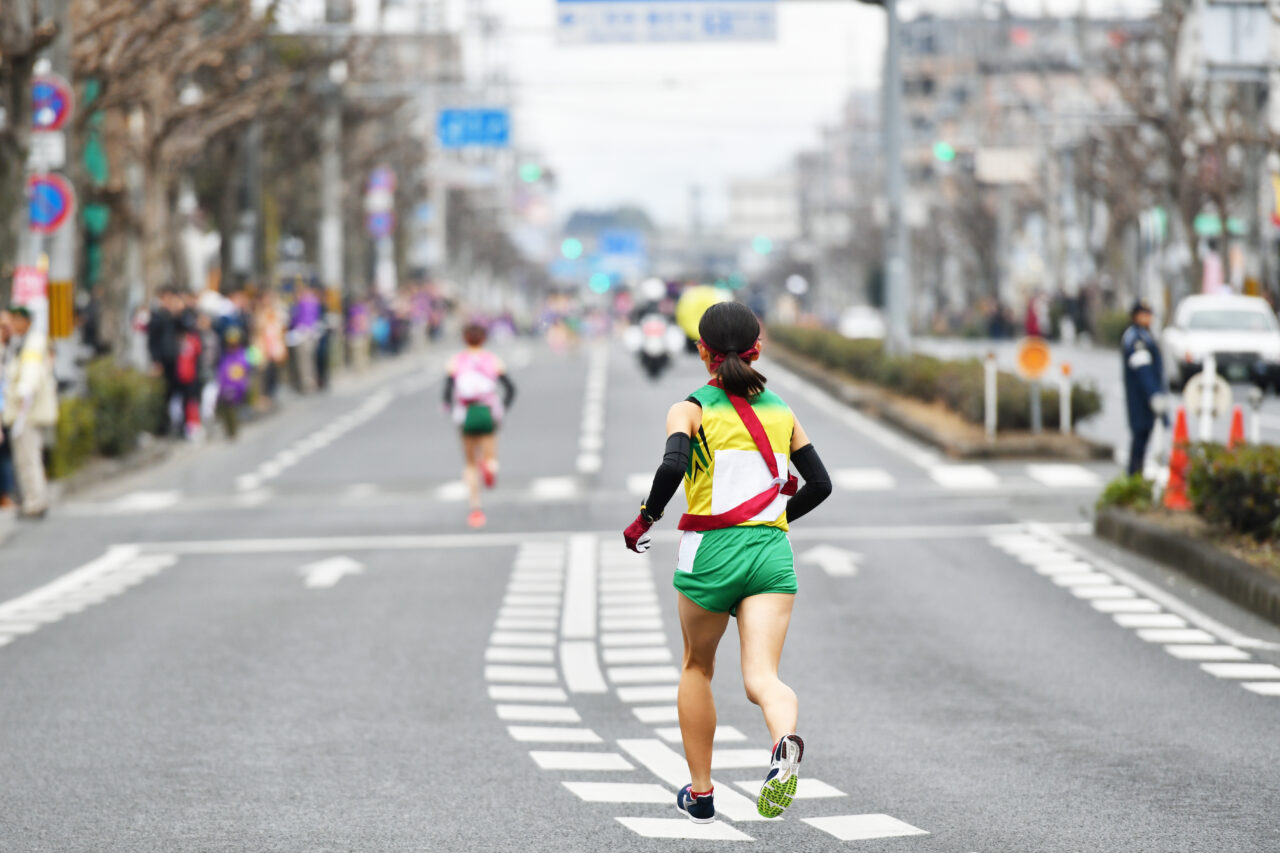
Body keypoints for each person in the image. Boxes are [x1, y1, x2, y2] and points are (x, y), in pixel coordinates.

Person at [622, 301, 832, 824]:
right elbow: (821, 485)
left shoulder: (689, 408)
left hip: (710, 555)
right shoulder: (783, 411)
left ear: (702, 352)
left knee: (697, 666)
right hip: (770, 554)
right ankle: (784, 742)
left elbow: (672, 465)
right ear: (758, 348)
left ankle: (702, 792)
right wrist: (776, 518)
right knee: (763, 676)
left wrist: (646, 519)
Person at [444, 322, 515, 529]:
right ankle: (490, 467)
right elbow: (510, 388)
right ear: (483, 339)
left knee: (469, 463)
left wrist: (450, 408)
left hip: (465, 413)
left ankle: (476, 508)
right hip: (488, 411)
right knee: (490, 454)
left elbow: (447, 393)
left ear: (465, 339)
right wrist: (502, 407)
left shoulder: (456, 361)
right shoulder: (493, 360)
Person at [2, 306, 57, 519]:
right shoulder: (21, 342)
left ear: (26, 322)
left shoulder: (32, 342)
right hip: (23, 412)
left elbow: (29, 377)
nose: (13, 326)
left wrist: (22, 396)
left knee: (28, 458)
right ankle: (32, 501)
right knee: (26, 458)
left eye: (16, 320)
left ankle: (35, 502)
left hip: (27, 412)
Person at [1121, 297, 1167, 476]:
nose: (1148, 318)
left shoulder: (1145, 335)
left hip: (1145, 396)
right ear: (1135, 316)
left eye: (1149, 314)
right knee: (1139, 438)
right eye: (1144, 314)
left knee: (1144, 436)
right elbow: (1143, 370)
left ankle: (1135, 476)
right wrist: (1153, 394)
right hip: (1139, 397)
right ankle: (1133, 477)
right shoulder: (1136, 338)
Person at [0, 309, 15, 509]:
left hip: (10, 409)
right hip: (3, 409)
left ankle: (6, 494)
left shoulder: (12, 348)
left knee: (5, 453)